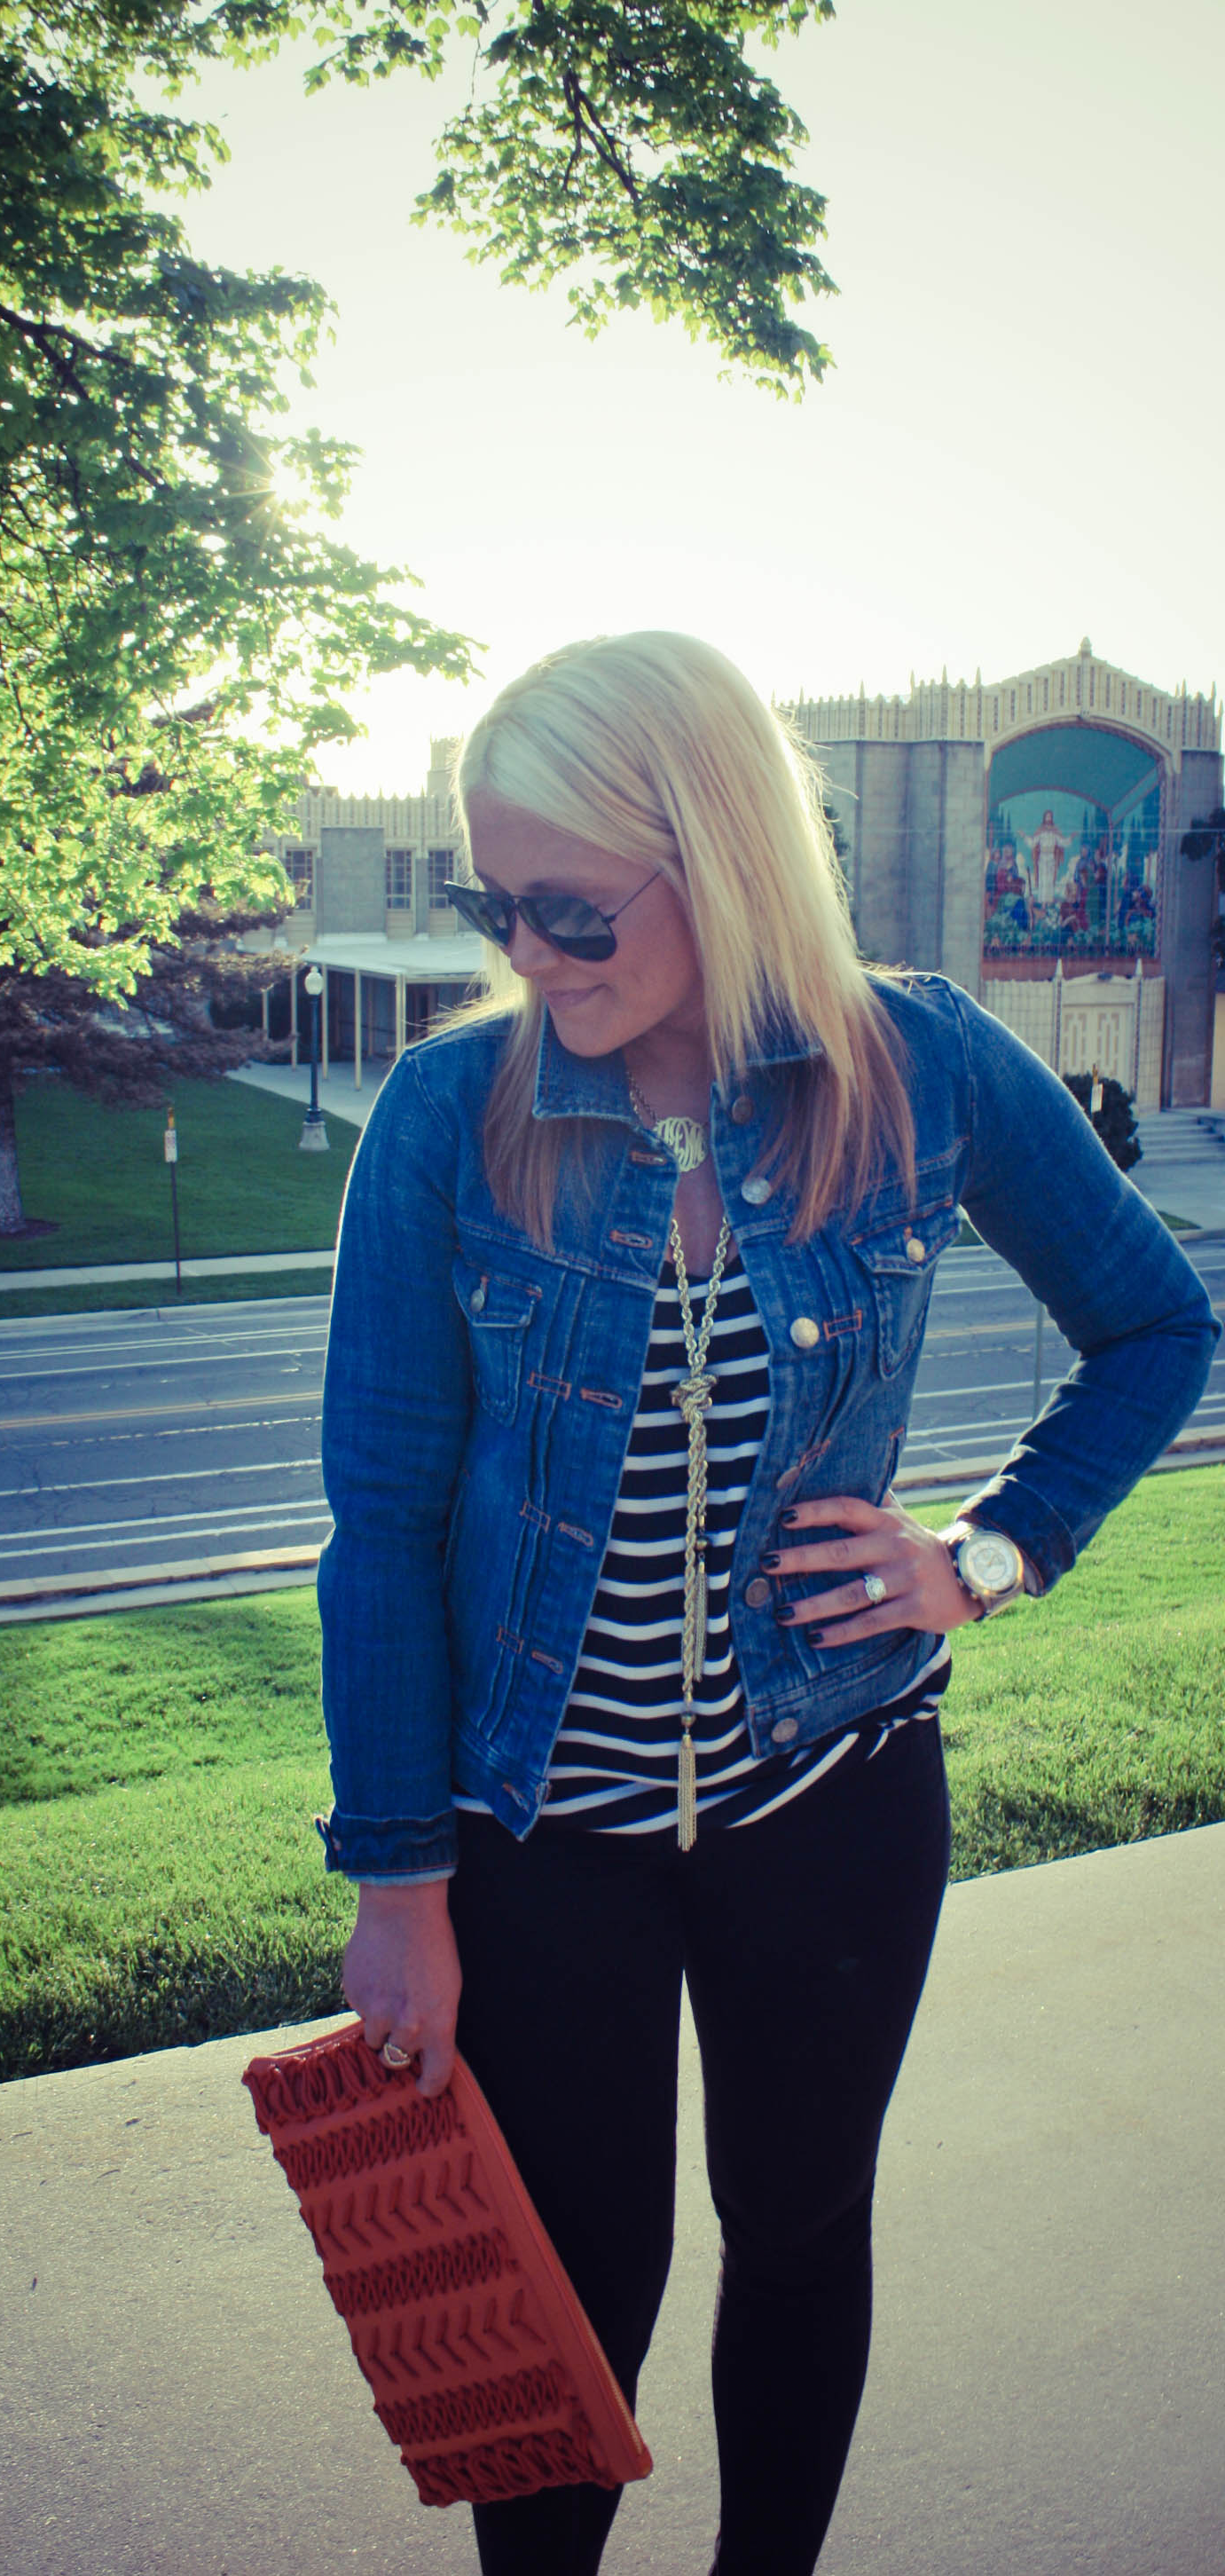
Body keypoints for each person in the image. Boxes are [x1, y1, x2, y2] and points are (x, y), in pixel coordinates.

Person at [315, 633, 1217, 2576]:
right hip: (535, 1834)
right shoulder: (449, 1113)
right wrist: (398, 1889)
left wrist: (987, 1555)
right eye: (492, 902)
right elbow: (379, 1527)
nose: (529, 954)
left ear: (719, 854)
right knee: (569, 2283)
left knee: (799, 2227)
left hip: (831, 1799)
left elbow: (1157, 1325)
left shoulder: (918, 1063)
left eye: (571, 910)